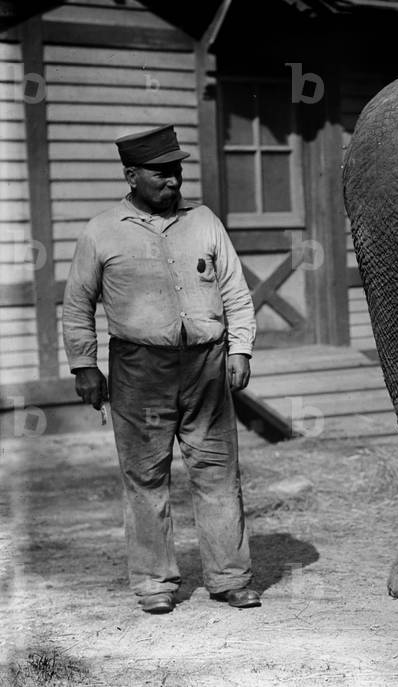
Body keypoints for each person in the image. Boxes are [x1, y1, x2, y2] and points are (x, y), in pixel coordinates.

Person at [62, 124, 261, 614]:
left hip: (207, 366)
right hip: (139, 370)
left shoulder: (205, 221)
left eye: (176, 171)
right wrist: (83, 365)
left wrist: (241, 349)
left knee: (217, 472)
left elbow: (234, 289)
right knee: (146, 477)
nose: (172, 181)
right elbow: (77, 303)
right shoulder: (102, 230)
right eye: (160, 173)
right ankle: (154, 583)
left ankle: (230, 578)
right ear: (131, 175)